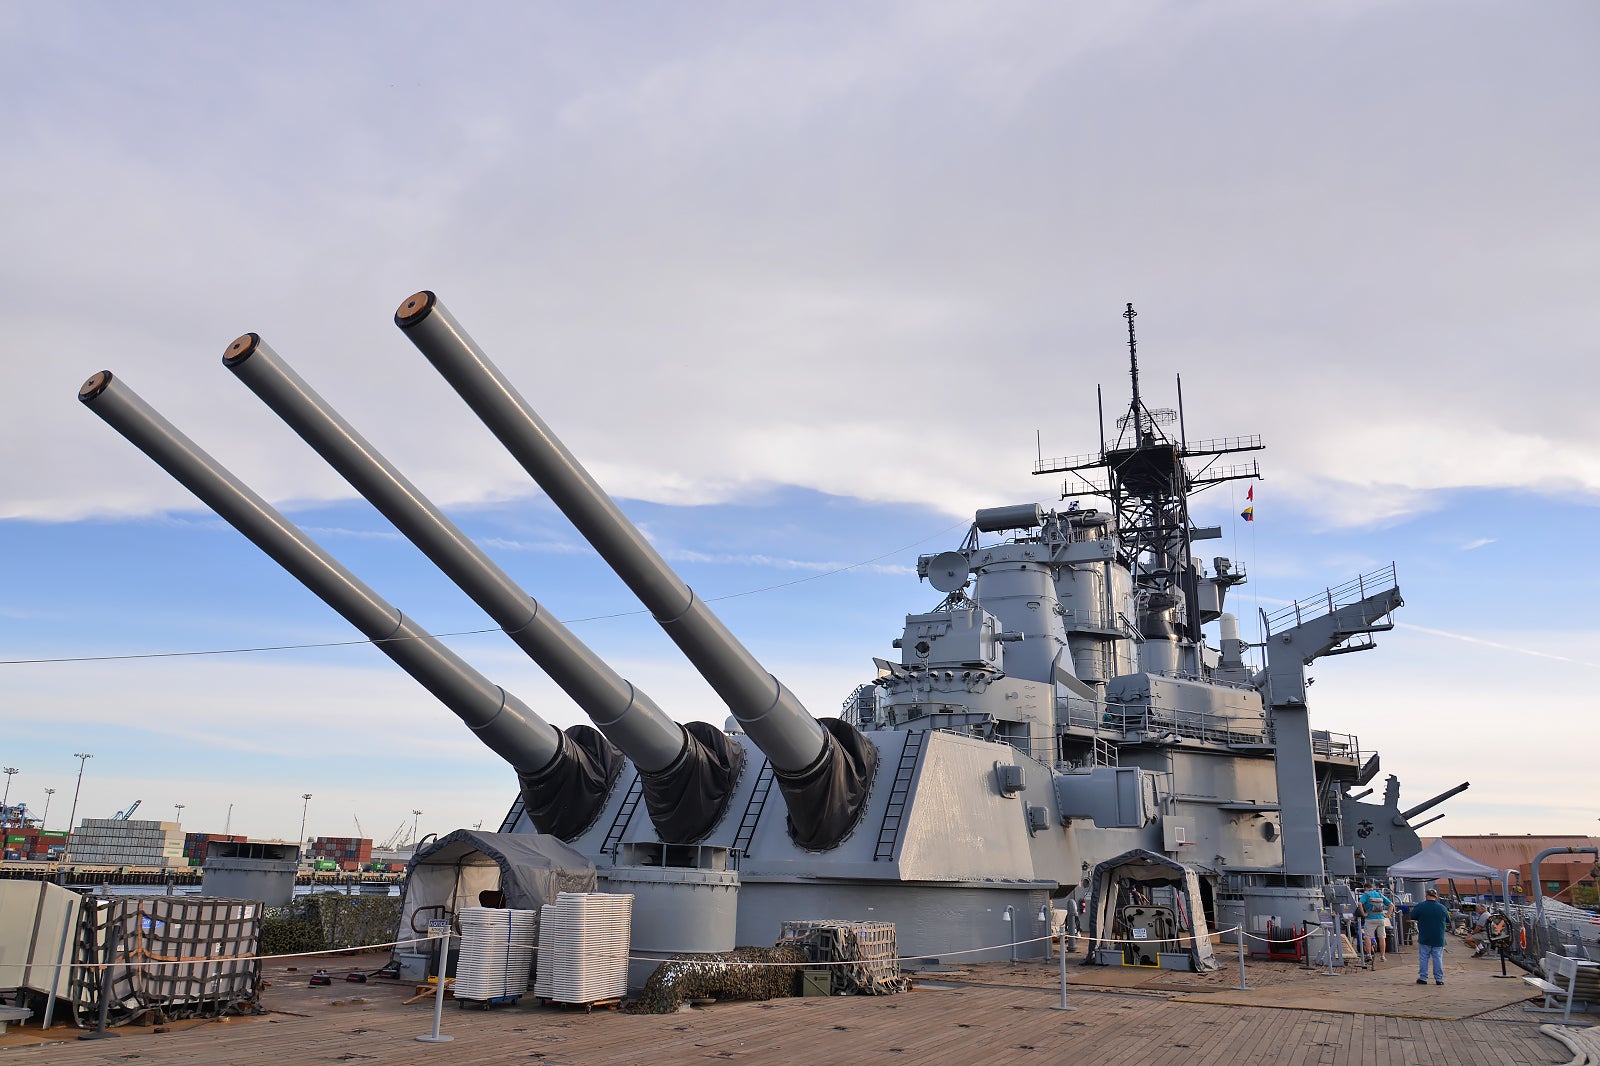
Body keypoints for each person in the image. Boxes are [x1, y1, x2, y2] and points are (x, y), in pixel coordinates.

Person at [1411, 887, 1449, 985]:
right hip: (1439, 937)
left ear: (1427, 895)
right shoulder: (1442, 908)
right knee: (1438, 958)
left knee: (1424, 957)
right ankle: (1439, 979)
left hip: (1425, 936)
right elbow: (1448, 919)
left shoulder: (1420, 906)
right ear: (1436, 897)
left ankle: (1423, 978)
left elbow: (1413, 916)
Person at [1358, 882, 1393, 962]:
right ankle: (1382, 956)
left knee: (1368, 936)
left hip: (1370, 918)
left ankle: (1369, 955)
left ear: (1365, 888)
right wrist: (1387, 915)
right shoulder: (1379, 894)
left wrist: (1363, 913)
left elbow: (1360, 904)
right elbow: (1391, 905)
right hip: (1381, 918)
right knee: (1382, 937)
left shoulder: (1366, 895)